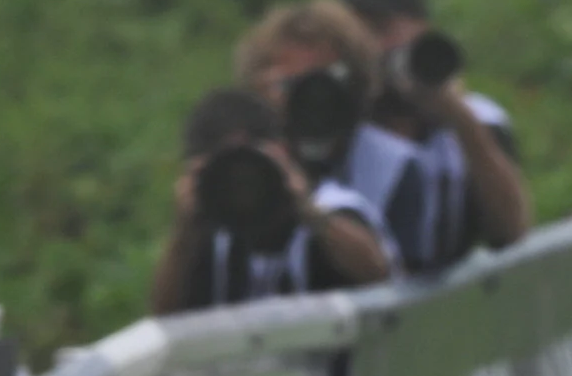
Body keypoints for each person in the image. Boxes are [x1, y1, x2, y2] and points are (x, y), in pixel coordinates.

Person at [340, 0, 532, 270]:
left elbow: (510, 231)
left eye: (383, 30)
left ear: (424, 32)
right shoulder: (341, 128)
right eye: (360, 37)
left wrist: (455, 114)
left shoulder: (479, 118)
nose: (375, 48)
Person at [234, 0, 435, 278]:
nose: (311, 99)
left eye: (324, 83)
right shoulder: (246, 166)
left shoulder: (397, 165)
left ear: (354, 82)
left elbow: (405, 287)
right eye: (294, 86)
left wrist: (308, 209)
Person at [149, 87, 395, 314]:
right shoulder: (211, 229)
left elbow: (379, 275)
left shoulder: (332, 207)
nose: (240, 185)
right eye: (226, 173)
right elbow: (165, 317)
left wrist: (307, 209)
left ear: (282, 151)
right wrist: (184, 233)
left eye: (247, 167)